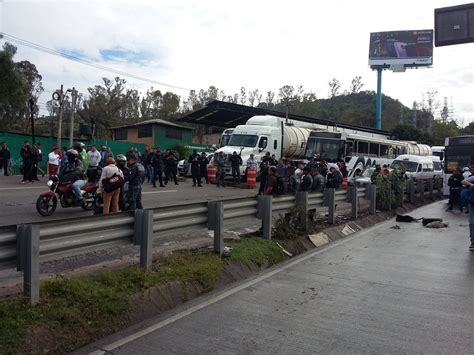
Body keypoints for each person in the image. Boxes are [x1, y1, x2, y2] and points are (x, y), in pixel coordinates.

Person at [461, 175, 474, 251]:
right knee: (472, 223)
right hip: (472, 204)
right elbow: (463, 181)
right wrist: (471, 184)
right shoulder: (473, 178)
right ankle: (473, 242)